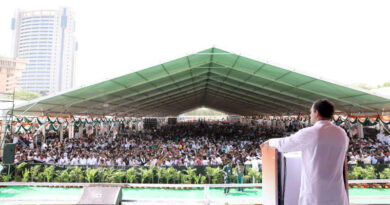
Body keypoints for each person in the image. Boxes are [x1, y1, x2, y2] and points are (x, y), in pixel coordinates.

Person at [261, 99, 349, 205]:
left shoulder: (311, 132)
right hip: (337, 195)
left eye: (311, 112)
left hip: (316, 195)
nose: (310, 115)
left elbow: (285, 144)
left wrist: (269, 142)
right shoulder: (342, 133)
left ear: (317, 113)